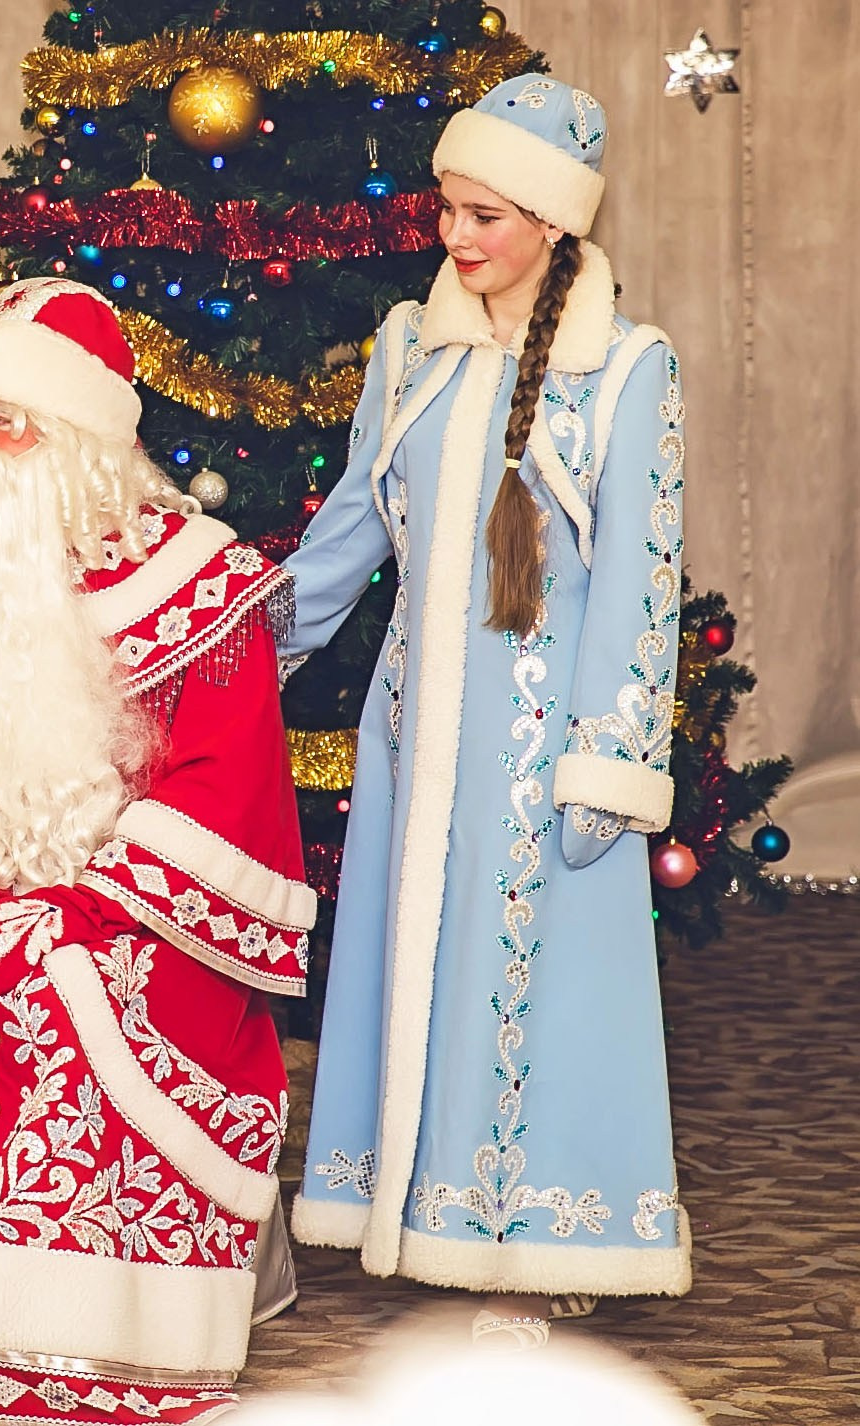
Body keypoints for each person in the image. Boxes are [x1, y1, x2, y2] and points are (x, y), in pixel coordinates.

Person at [0, 277, 309, 1423]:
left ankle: (88, 1333)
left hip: (127, 913)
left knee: (70, 1003)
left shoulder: (199, 582)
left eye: (0, 421)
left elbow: (224, 787)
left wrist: (83, 912)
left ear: (76, 436)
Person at [282, 76, 691, 1346]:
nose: (458, 238)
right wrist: (219, 648)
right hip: (418, 745)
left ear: (554, 224)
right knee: (417, 975)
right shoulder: (411, 350)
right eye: (448, 209)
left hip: (542, 754)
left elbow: (640, 576)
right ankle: (417, 1204)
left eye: (487, 215)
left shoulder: (626, 368)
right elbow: (348, 535)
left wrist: (606, 760)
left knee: (534, 990)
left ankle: (535, 1240)